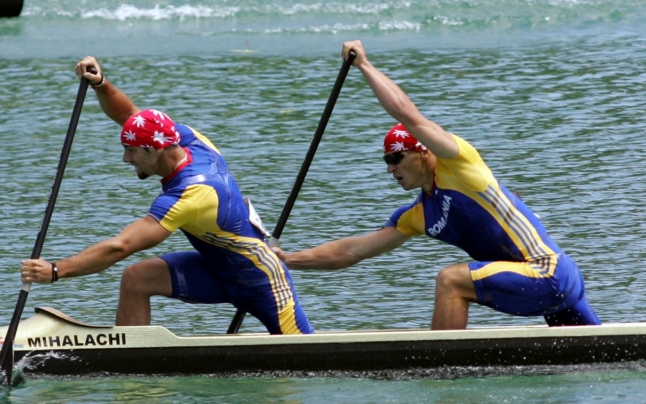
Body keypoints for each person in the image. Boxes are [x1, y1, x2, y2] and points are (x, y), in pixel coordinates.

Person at [273, 40, 601, 330]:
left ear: (423, 151)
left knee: (450, 280)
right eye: (385, 162)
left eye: (396, 158)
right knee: (607, 358)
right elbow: (352, 251)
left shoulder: (459, 164)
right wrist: (287, 259)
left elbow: (408, 114)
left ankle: (442, 376)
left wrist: (364, 65)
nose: (390, 169)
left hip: (549, 272)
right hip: (546, 288)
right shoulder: (417, 214)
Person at [20, 56, 314, 335]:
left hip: (261, 279)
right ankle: (130, 363)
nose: (126, 159)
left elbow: (120, 247)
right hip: (215, 270)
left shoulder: (189, 195)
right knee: (137, 278)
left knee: (308, 358)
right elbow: (132, 117)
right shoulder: (188, 139)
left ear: (153, 150)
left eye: (131, 151)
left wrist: (56, 270)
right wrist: (101, 84)